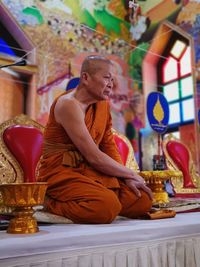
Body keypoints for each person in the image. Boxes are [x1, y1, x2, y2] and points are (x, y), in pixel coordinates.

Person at [37, 55, 152, 224]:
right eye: (106, 77)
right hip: (61, 171)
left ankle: (100, 201)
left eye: (113, 79)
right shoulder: (68, 105)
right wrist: (131, 173)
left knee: (141, 198)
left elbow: (108, 144)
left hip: (90, 171)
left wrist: (126, 178)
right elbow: (94, 157)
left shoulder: (102, 105)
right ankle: (51, 202)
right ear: (85, 77)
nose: (111, 84)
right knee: (106, 207)